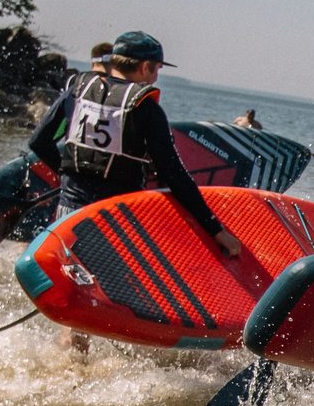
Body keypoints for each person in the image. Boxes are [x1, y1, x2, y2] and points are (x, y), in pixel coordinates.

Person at [25, 31, 243, 256]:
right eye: (157, 69)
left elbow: (39, 142)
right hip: (115, 221)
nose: (156, 77)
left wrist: (67, 175)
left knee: (71, 270)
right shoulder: (146, 108)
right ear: (145, 66)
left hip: (69, 215)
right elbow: (174, 174)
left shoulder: (78, 90)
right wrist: (215, 229)